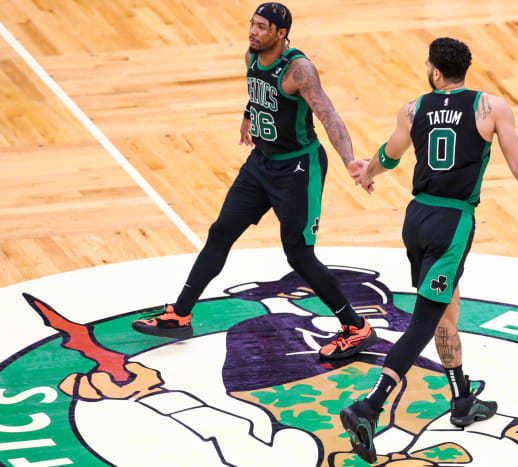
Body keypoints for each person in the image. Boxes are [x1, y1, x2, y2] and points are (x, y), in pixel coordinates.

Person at [340, 37, 518, 464]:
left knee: (445, 310)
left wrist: (367, 171)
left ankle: (461, 399)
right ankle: (368, 407)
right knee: (424, 321)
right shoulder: (491, 107)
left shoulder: (413, 108)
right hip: (453, 223)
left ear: (435, 72)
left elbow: (390, 153)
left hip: (416, 217)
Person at [132, 2, 376, 360]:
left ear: (281, 34)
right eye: (253, 24)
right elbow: (257, 89)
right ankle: (179, 315)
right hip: (261, 163)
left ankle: (355, 327)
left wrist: (350, 161)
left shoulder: (299, 69)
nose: (253, 31)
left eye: (263, 27)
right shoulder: (251, 54)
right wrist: (249, 114)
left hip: (298, 169)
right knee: (220, 233)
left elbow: (328, 115)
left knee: (299, 255)